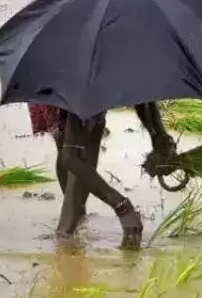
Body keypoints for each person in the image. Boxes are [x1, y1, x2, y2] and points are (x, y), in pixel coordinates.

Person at [28, 101, 176, 250]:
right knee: (74, 142)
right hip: (66, 92)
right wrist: (123, 207)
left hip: (75, 92)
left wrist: (160, 137)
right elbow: (71, 157)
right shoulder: (82, 91)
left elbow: (142, 94)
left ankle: (73, 221)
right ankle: (65, 238)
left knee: (76, 140)